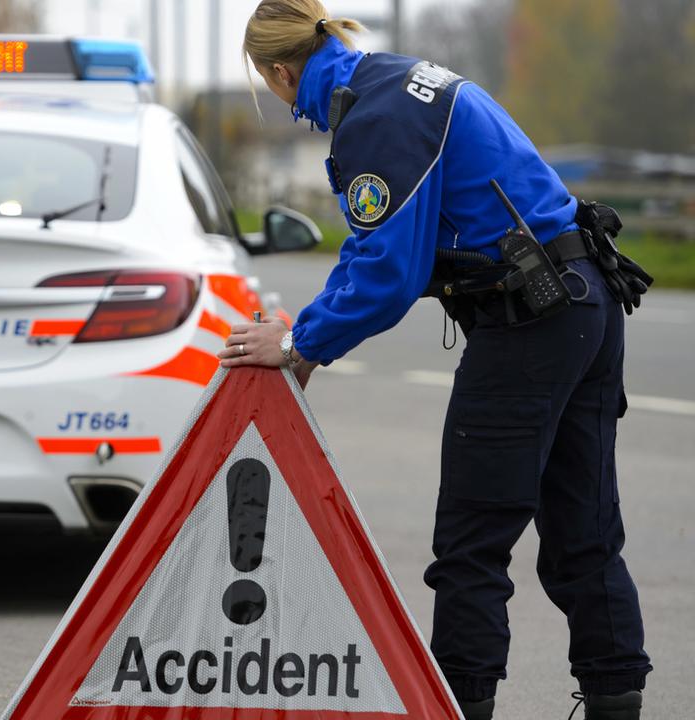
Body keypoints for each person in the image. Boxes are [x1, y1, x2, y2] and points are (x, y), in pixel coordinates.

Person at [220, 1, 653, 718]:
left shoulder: (375, 119)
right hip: (585, 302)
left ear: (278, 71)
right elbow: (376, 249)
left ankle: (459, 704)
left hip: (530, 318)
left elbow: (389, 274)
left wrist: (298, 342)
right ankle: (617, 702)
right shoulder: (394, 84)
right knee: (584, 536)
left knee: (469, 548)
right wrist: (313, 345)